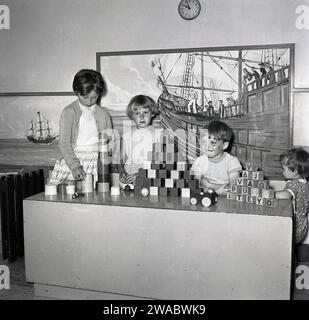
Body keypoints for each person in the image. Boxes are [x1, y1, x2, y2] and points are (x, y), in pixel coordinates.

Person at [49, 69, 113, 185]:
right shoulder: (69, 112)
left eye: (94, 98)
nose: (89, 101)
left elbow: (109, 142)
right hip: (73, 161)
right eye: (85, 97)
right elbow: (64, 143)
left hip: (96, 162)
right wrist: (74, 166)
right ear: (77, 92)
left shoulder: (104, 114)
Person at [119, 94, 162, 185]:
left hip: (150, 174)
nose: (141, 117)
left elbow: (160, 162)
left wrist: (142, 174)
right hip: (130, 176)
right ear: (131, 115)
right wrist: (121, 172)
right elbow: (120, 160)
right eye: (137, 113)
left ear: (152, 113)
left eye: (145, 113)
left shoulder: (159, 135)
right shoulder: (126, 136)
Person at [192, 120, 242, 195]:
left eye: (213, 142)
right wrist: (219, 189)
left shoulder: (232, 162)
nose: (207, 146)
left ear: (224, 145)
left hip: (227, 202)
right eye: (203, 142)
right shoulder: (199, 161)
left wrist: (209, 185)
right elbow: (195, 186)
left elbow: (234, 188)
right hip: (205, 199)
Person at [275, 148, 309, 244]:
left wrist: (270, 193)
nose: (281, 171)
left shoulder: (294, 184)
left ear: (294, 172)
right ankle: (293, 258)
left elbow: (286, 195)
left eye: (283, 168)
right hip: (302, 225)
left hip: (294, 226)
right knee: (291, 248)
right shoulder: (304, 182)